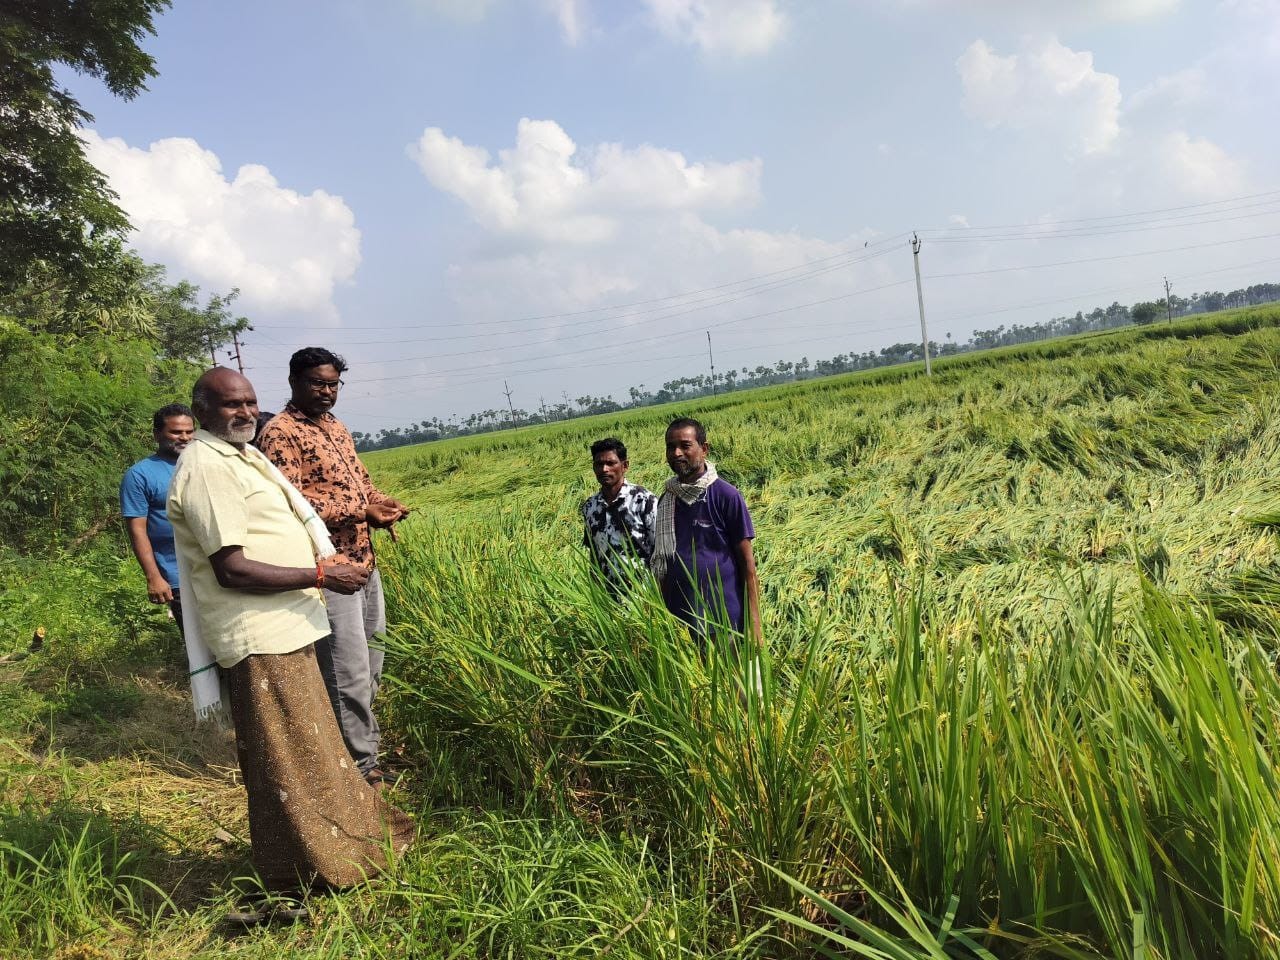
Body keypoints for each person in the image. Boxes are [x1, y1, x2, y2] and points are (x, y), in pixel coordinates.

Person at [168, 367, 414, 920]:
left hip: (284, 626)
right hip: (258, 633)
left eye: (250, 401)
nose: (245, 411)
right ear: (202, 409)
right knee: (285, 753)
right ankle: (308, 868)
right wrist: (321, 575)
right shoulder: (207, 467)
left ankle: (328, 853)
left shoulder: (241, 455)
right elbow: (231, 568)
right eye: (231, 404)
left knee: (301, 746)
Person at [256, 347, 410, 789]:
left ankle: (357, 749)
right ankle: (362, 771)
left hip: (363, 562)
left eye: (333, 385)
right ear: (294, 383)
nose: (327, 392)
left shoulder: (335, 427)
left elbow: (360, 481)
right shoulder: (281, 434)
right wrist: (364, 511)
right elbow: (291, 503)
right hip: (329, 570)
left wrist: (382, 501)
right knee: (348, 672)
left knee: (373, 661)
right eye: (317, 384)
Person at [650, 418, 761, 645]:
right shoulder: (667, 501)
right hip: (681, 622)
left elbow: (748, 565)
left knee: (735, 679)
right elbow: (662, 565)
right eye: (671, 447)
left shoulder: (725, 495)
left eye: (685, 445)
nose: (677, 453)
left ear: (704, 448)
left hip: (725, 621)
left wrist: (755, 624)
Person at [121, 404, 195, 631]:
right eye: (175, 432)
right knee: (198, 645)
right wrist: (154, 577)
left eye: (189, 431)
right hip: (178, 575)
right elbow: (137, 530)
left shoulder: (203, 464)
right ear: (157, 434)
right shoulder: (139, 475)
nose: (184, 437)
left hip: (217, 569)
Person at [581, 437, 657, 592]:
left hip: (644, 594)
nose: (604, 469)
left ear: (625, 466)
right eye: (599, 464)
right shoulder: (590, 507)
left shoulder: (644, 500)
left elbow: (661, 552)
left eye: (611, 463)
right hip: (608, 595)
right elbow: (594, 555)